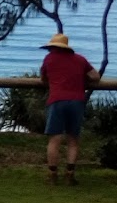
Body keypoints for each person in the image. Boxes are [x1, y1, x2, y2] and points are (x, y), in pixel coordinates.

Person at [39, 33, 100, 185]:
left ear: (53, 47)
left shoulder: (49, 59)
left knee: (55, 139)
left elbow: (43, 78)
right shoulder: (80, 59)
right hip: (76, 101)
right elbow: (95, 77)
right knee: (73, 139)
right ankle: (69, 174)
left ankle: (52, 175)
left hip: (57, 100)